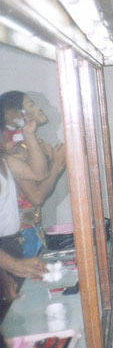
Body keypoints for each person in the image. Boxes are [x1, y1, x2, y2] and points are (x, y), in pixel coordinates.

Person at [0, 91, 66, 257]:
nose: (40, 109)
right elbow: (36, 196)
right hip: (20, 234)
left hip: (30, 230)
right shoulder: (15, 152)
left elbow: (40, 174)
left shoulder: (28, 144)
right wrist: (57, 166)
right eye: (30, 105)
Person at [0, 110, 48, 307]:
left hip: (10, 246)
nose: (13, 134)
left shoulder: (6, 162)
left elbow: (39, 173)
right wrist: (12, 265)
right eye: (8, 129)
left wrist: (30, 135)